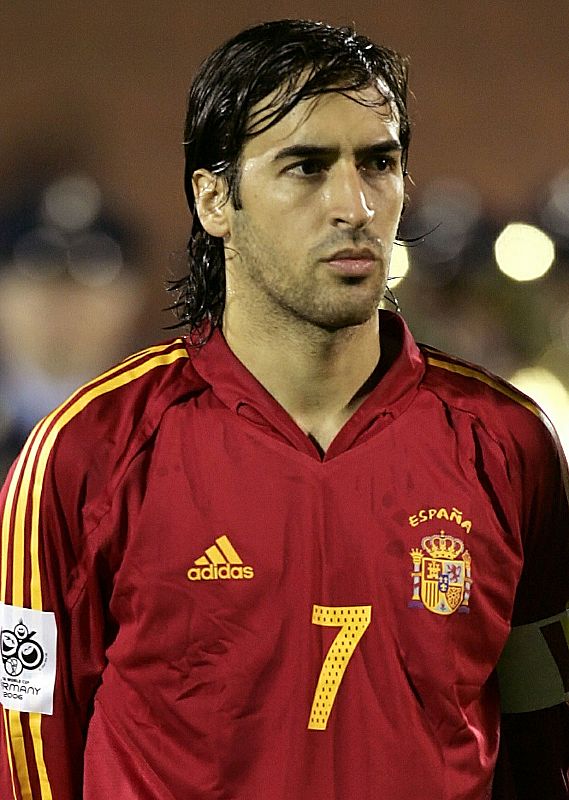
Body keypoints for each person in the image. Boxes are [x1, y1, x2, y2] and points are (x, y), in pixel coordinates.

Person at [0, 18, 567, 800]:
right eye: (306, 167)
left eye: (378, 163)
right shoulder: (85, 451)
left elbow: (546, 747)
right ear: (213, 199)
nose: (354, 205)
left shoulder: (506, 444)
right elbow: (26, 752)